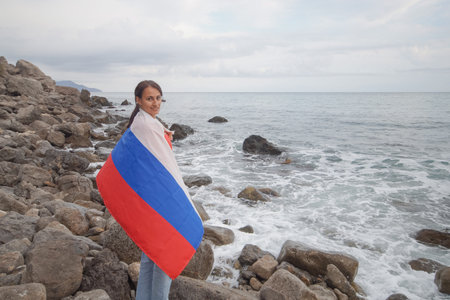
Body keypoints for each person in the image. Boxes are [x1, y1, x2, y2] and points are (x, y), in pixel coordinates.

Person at [97, 80, 203, 300]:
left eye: (158, 98)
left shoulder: (144, 122)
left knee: (151, 254)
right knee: (165, 253)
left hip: (152, 201)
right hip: (157, 199)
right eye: (149, 98)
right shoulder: (145, 125)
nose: (155, 103)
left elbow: (150, 161)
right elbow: (162, 166)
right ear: (138, 100)